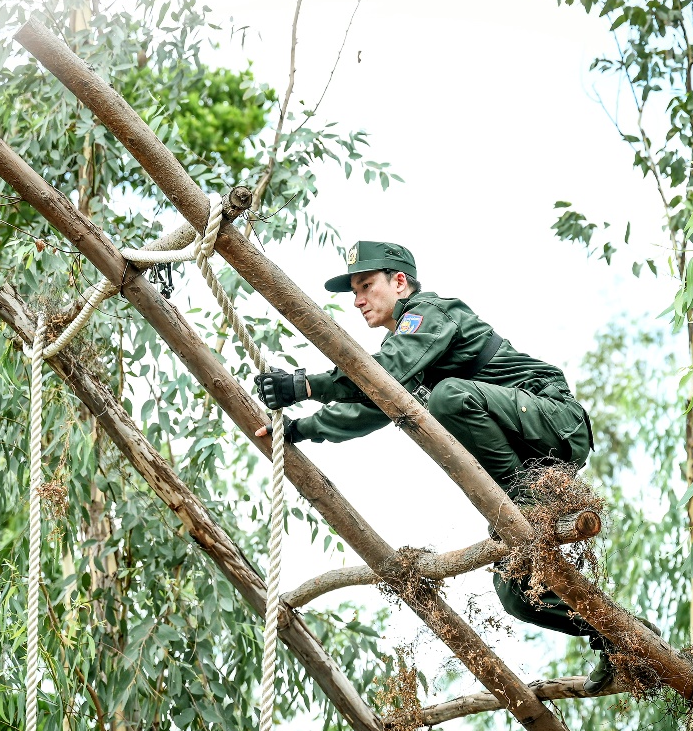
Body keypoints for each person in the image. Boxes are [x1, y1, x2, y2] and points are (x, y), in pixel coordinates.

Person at [252, 240, 620, 693]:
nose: (358, 300)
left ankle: (523, 501)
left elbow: (381, 372)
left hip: (551, 419)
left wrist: (306, 384)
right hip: (528, 455)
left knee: (448, 397)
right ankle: (620, 637)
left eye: (366, 285)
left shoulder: (427, 313)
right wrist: (301, 430)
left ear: (399, 282)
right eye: (353, 291)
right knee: (518, 593)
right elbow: (370, 407)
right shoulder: (401, 349)